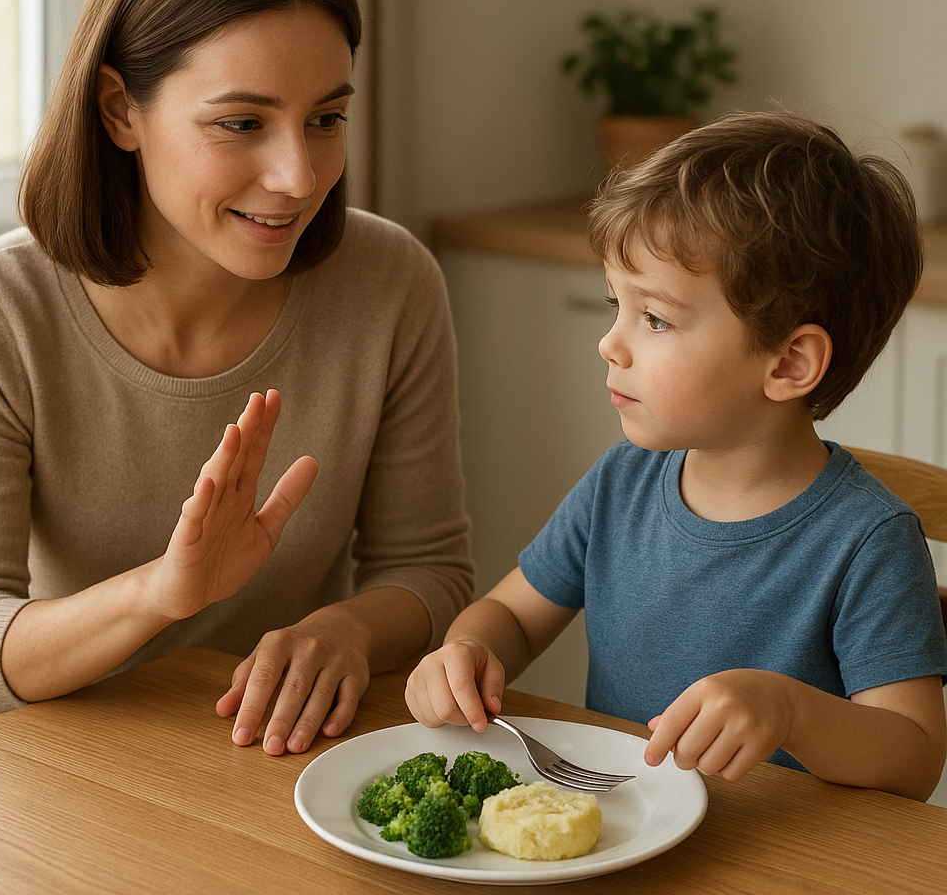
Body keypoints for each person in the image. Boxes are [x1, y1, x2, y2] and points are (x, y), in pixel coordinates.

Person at [0, 0, 473, 755]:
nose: (299, 175)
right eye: (241, 123)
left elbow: (430, 570)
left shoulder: (389, 282)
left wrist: (349, 633)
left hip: (269, 752)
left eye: (326, 119)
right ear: (119, 111)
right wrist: (160, 593)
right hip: (44, 752)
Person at [405, 112, 947, 801]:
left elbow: (916, 756)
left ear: (789, 363)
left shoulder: (867, 540)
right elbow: (510, 616)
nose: (611, 343)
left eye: (655, 318)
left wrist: (790, 712)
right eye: (615, 305)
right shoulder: (619, 485)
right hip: (622, 828)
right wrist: (466, 654)